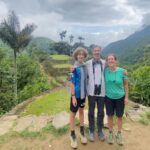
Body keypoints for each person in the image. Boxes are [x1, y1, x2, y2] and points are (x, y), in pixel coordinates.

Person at [104, 53, 128, 145]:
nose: (110, 61)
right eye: (108, 59)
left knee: (119, 116)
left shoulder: (122, 71)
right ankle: (110, 133)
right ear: (107, 61)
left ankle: (119, 133)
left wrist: (126, 97)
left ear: (115, 60)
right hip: (108, 97)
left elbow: (126, 85)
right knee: (109, 115)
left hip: (120, 97)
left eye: (112, 59)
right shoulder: (105, 71)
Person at [69, 47, 88, 149]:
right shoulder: (74, 68)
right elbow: (71, 83)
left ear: (84, 56)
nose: (81, 55)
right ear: (76, 56)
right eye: (79, 54)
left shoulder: (85, 66)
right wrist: (73, 96)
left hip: (83, 95)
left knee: (81, 112)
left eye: (82, 54)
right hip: (75, 96)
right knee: (72, 114)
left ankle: (82, 131)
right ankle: (72, 134)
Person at [86, 47, 106, 141]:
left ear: (100, 52)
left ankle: (100, 130)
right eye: (95, 51)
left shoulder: (104, 62)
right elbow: (81, 70)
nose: (97, 52)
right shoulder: (88, 63)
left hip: (102, 92)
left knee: (101, 112)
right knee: (91, 112)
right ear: (92, 52)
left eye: (98, 50)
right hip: (91, 92)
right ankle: (91, 130)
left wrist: (123, 70)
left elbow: (113, 66)